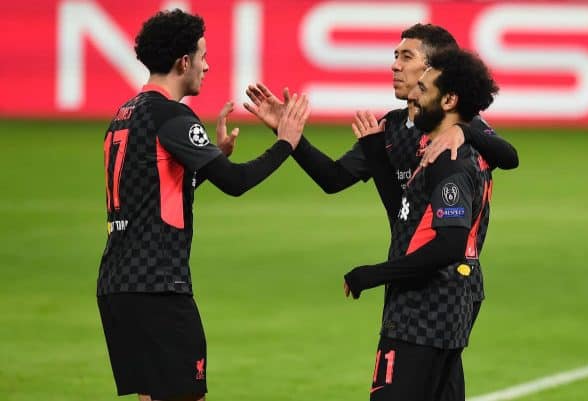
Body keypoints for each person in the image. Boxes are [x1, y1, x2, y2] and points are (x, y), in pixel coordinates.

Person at [244, 23, 518, 399]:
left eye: (406, 57)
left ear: (433, 69)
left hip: (443, 285)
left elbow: (510, 156)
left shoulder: (455, 133)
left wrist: (466, 133)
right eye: (395, 56)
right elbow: (336, 179)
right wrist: (291, 138)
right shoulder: (393, 128)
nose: (395, 65)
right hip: (421, 276)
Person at [96, 9, 310, 401]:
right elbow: (238, 182)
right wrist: (286, 143)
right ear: (183, 61)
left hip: (117, 285)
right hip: (159, 286)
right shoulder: (173, 116)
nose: (207, 65)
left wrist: (210, 161)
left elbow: (153, 189)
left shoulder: (123, 116)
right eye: (202, 56)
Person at [343, 48, 499, 400]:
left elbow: (450, 244)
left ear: (449, 100)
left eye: (423, 89)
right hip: (442, 313)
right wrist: (376, 156)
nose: (413, 94)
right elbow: (406, 217)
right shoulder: (451, 153)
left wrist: (373, 274)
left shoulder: (450, 164)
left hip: (422, 315)